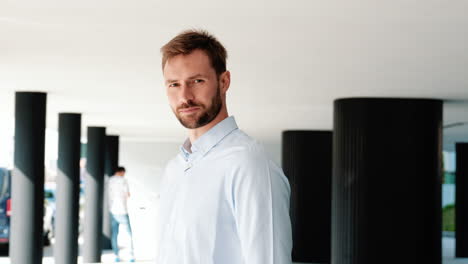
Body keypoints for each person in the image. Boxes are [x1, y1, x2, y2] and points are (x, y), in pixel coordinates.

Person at [156, 30, 292, 264]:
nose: (185, 96)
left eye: (197, 81)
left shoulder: (248, 163)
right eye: (174, 84)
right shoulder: (174, 169)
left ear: (224, 81)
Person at [108, 166, 135, 263]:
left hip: (113, 210)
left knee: (115, 234)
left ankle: (116, 255)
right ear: (121, 172)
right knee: (129, 234)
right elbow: (128, 195)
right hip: (122, 211)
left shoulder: (110, 181)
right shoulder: (123, 181)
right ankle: (131, 256)